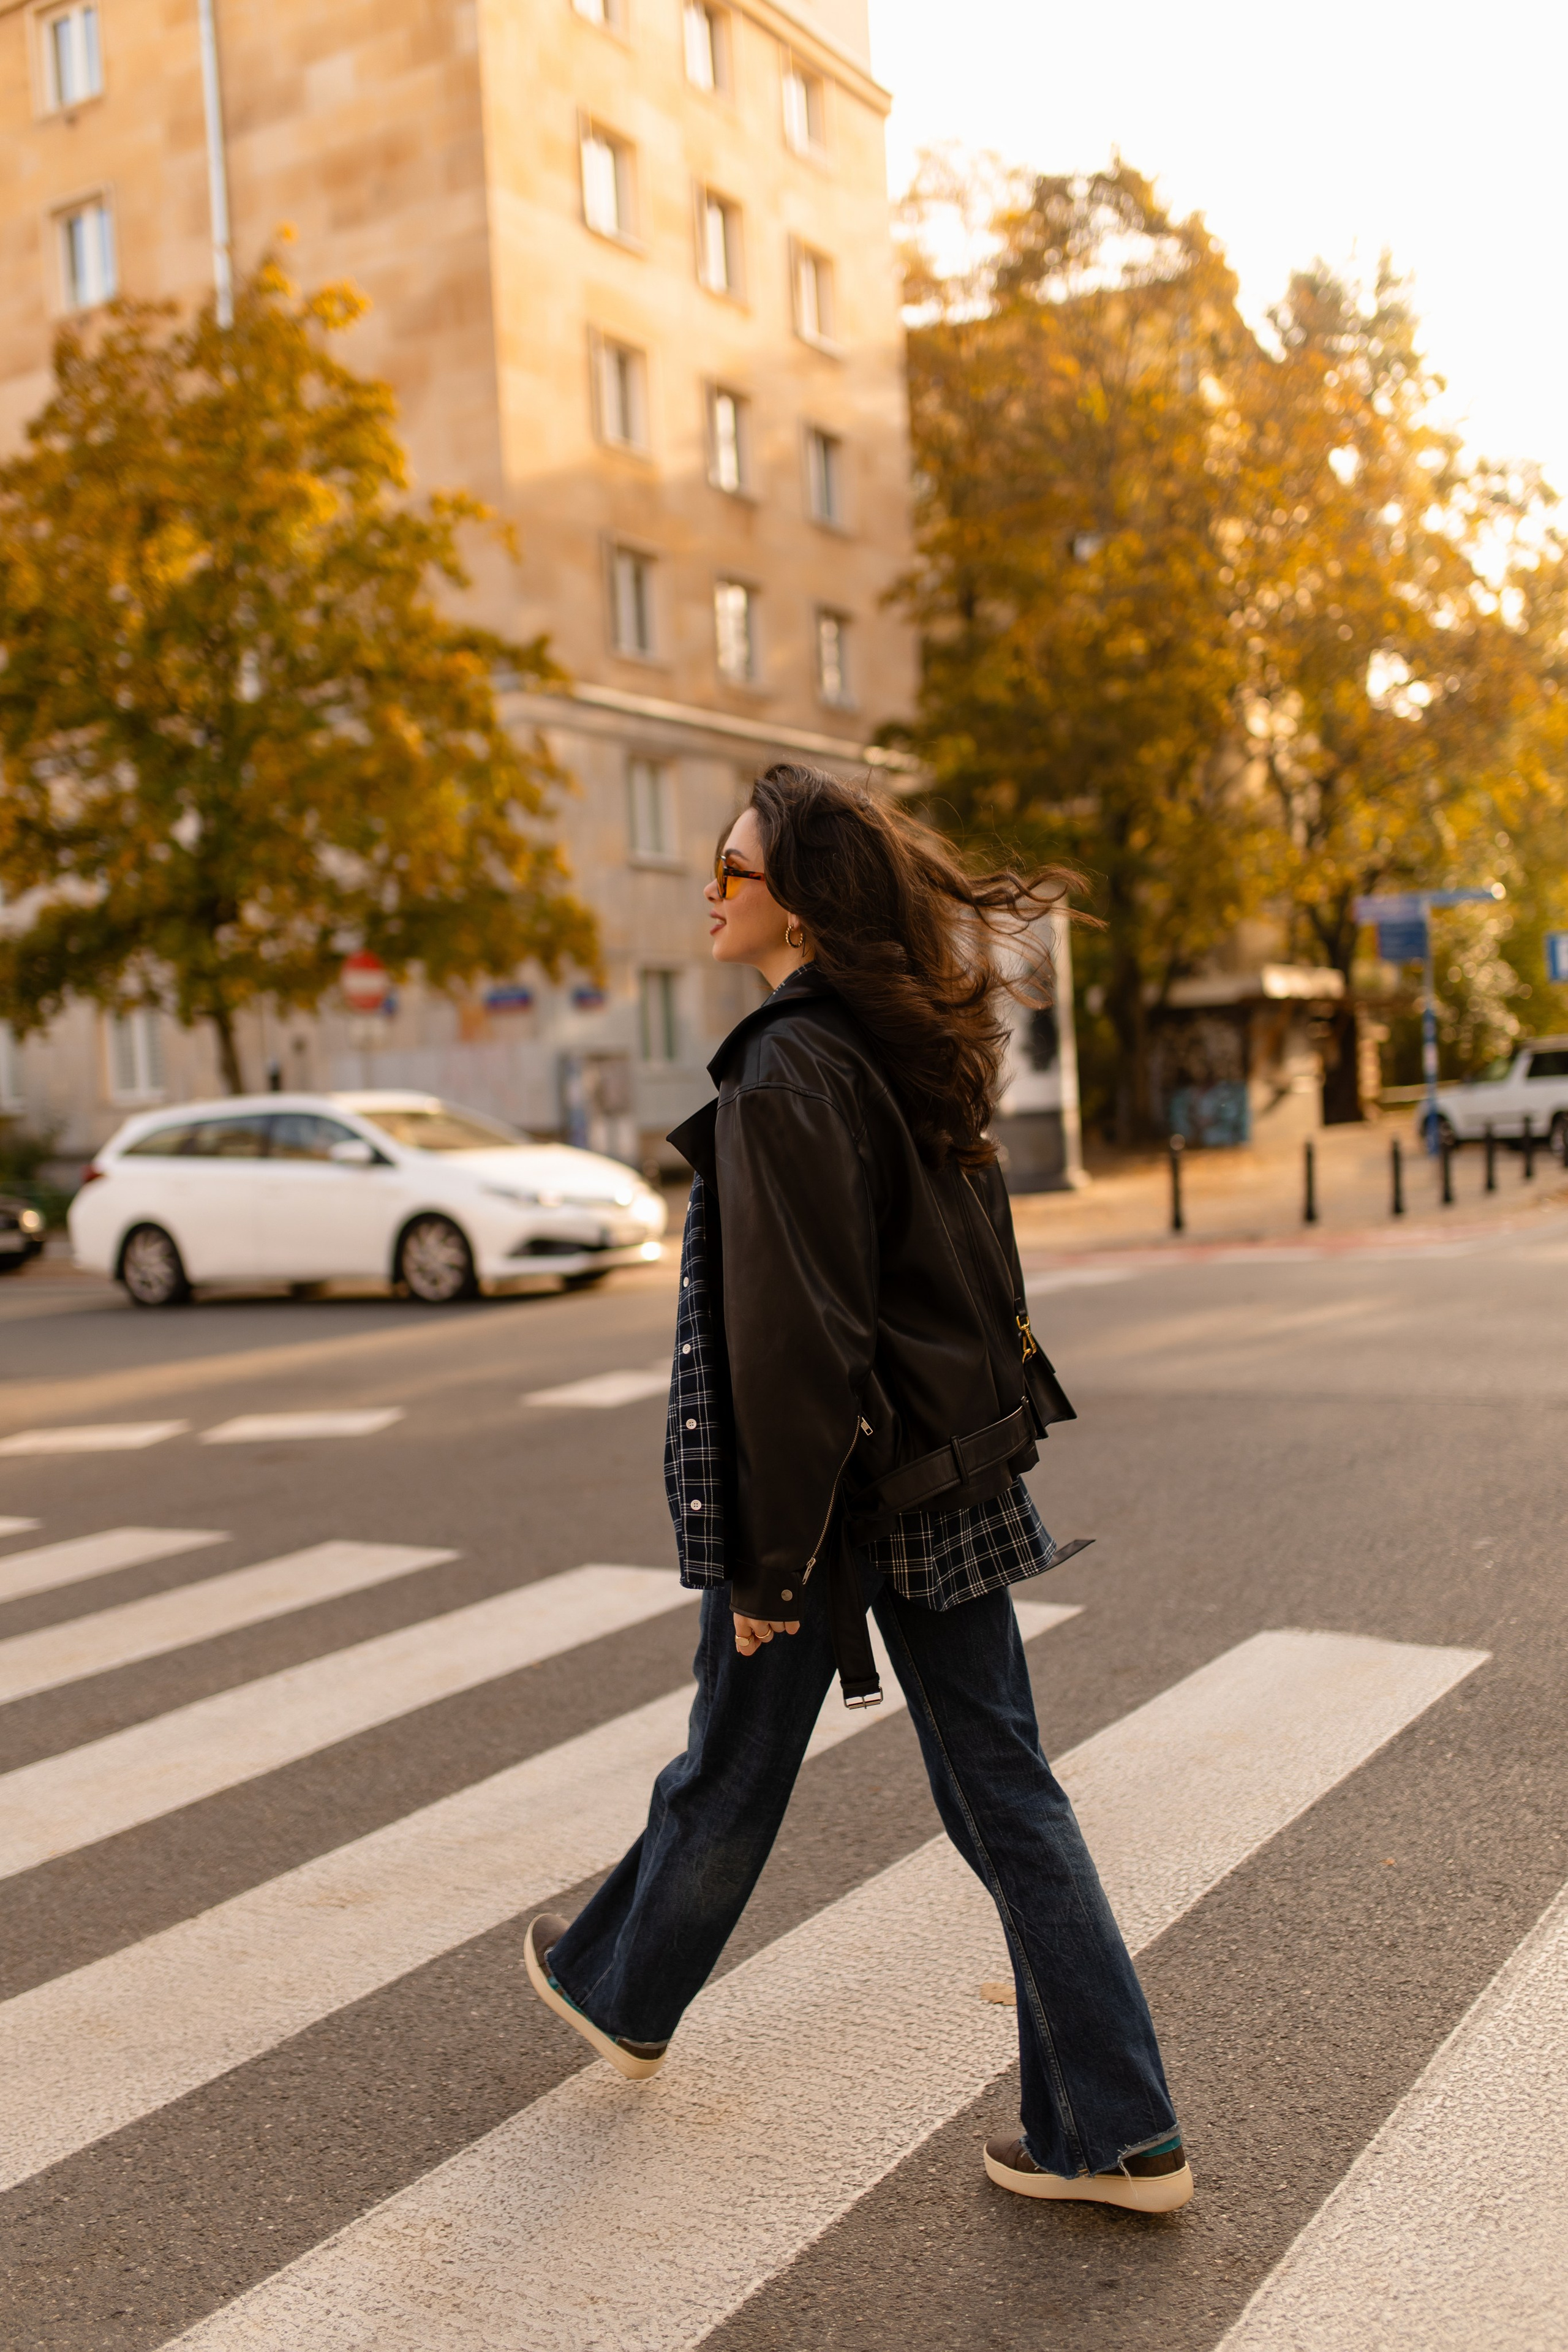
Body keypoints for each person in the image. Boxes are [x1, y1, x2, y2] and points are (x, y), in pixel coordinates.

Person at [525, 763, 1191, 2213]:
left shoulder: (786, 1070)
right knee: (901, 1775)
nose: (711, 890)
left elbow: (796, 1345)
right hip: (929, 1470)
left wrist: (771, 1569)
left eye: (734, 868)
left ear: (804, 909)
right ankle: (1105, 2125)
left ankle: (1118, 2128)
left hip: (848, 1496)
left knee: (963, 1792)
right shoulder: (888, 1048)